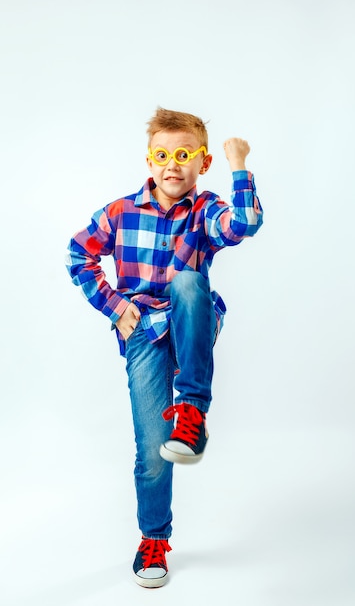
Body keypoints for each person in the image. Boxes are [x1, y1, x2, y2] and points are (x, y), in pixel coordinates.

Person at [66, 107, 263, 588]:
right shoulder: (120, 212)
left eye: (184, 155)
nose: (172, 165)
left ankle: (193, 410)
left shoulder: (206, 209)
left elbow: (244, 224)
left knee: (190, 280)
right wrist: (114, 305)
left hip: (189, 320)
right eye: (162, 155)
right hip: (143, 334)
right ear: (149, 161)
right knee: (153, 451)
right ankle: (153, 540)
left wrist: (241, 167)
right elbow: (79, 252)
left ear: (203, 162)